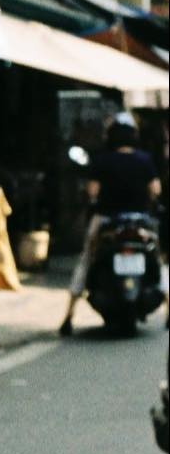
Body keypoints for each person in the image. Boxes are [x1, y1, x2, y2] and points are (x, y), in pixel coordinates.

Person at [59, 112, 162, 335]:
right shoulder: (144, 160)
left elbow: (92, 192)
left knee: (86, 260)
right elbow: (155, 190)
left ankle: (68, 316)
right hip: (140, 220)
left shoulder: (102, 160)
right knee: (157, 257)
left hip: (107, 220)